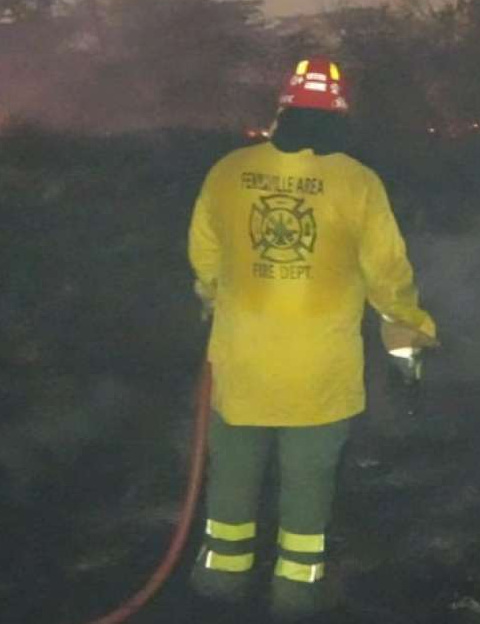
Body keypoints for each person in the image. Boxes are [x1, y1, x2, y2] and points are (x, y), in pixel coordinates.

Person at [187, 56, 438, 620]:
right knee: (308, 483)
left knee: (231, 475)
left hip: (239, 365)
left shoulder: (228, 171)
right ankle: (295, 594)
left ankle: (219, 583)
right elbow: (388, 274)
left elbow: (205, 256)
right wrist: (409, 340)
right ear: (342, 114)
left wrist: (213, 297)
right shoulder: (357, 182)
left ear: (283, 107)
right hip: (319, 376)